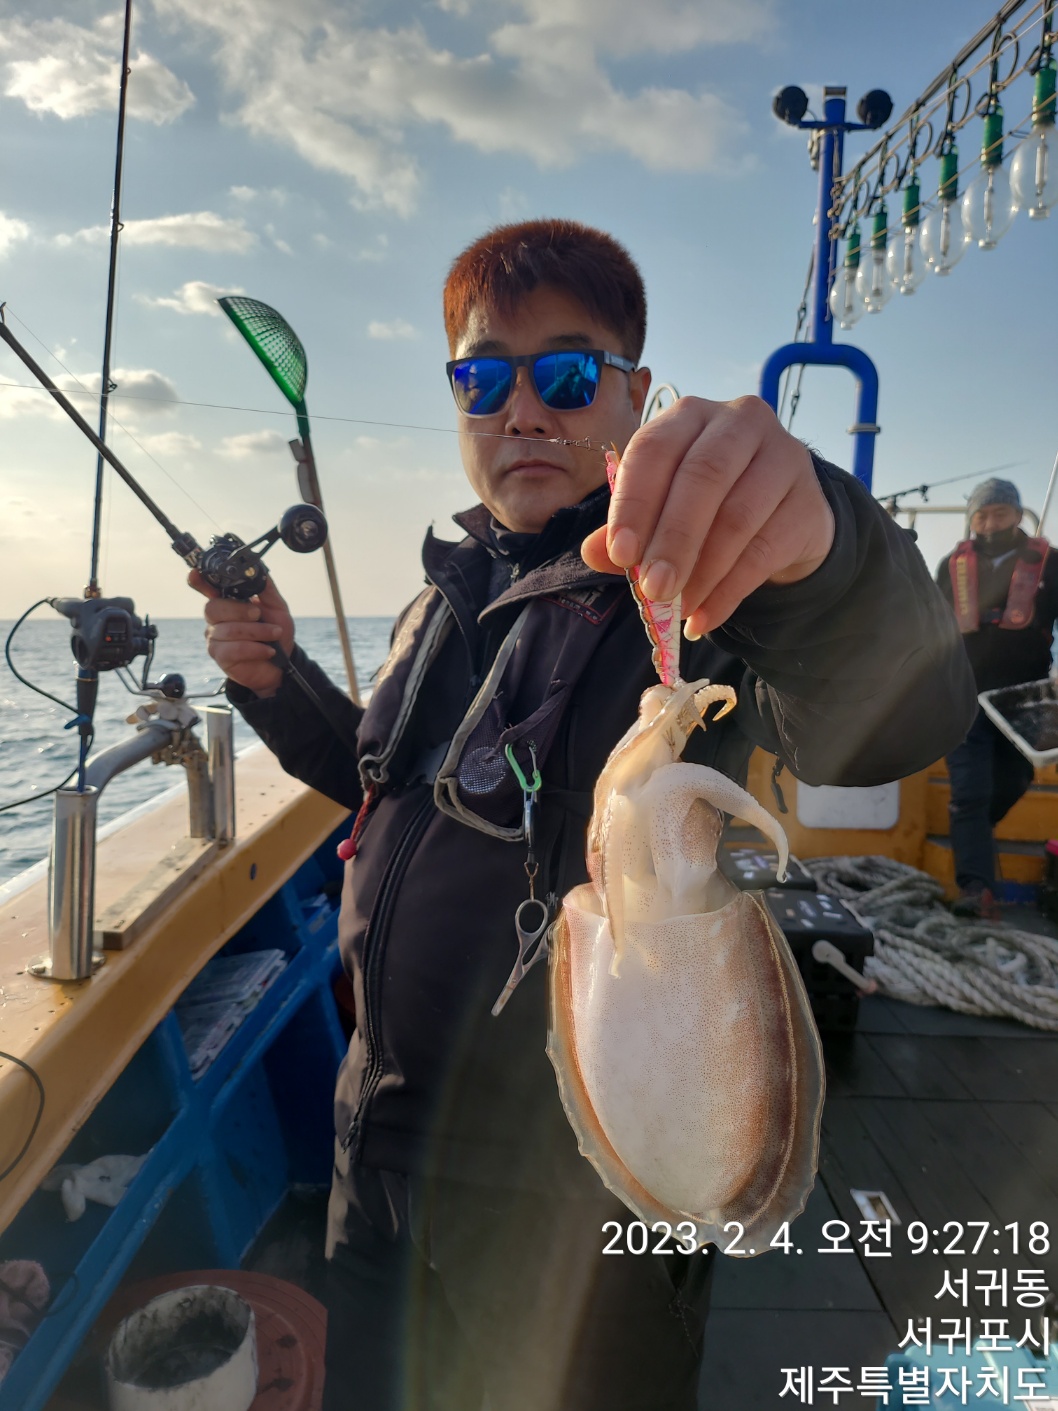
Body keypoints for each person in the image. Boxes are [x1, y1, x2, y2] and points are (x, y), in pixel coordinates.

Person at [194, 219, 976, 1411]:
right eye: (481, 377)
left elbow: (895, 712)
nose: (520, 409)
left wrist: (822, 549)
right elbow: (383, 791)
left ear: (631, 392)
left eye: (563, 374)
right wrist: (274, 682)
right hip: (377, 1145)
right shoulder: (442, 598)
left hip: (574, 1194)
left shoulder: (693, 592)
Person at [937, 477, 1058, 920]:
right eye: (982, 515)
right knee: (969, 791)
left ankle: (974, 839)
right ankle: (976, 888)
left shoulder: (1052, 564)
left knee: (1014, 779)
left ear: (1018, 515)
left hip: (1025, 698)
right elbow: (931, 625)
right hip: (964, 694)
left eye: (999, 513)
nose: (990, 523)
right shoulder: (951, 565)